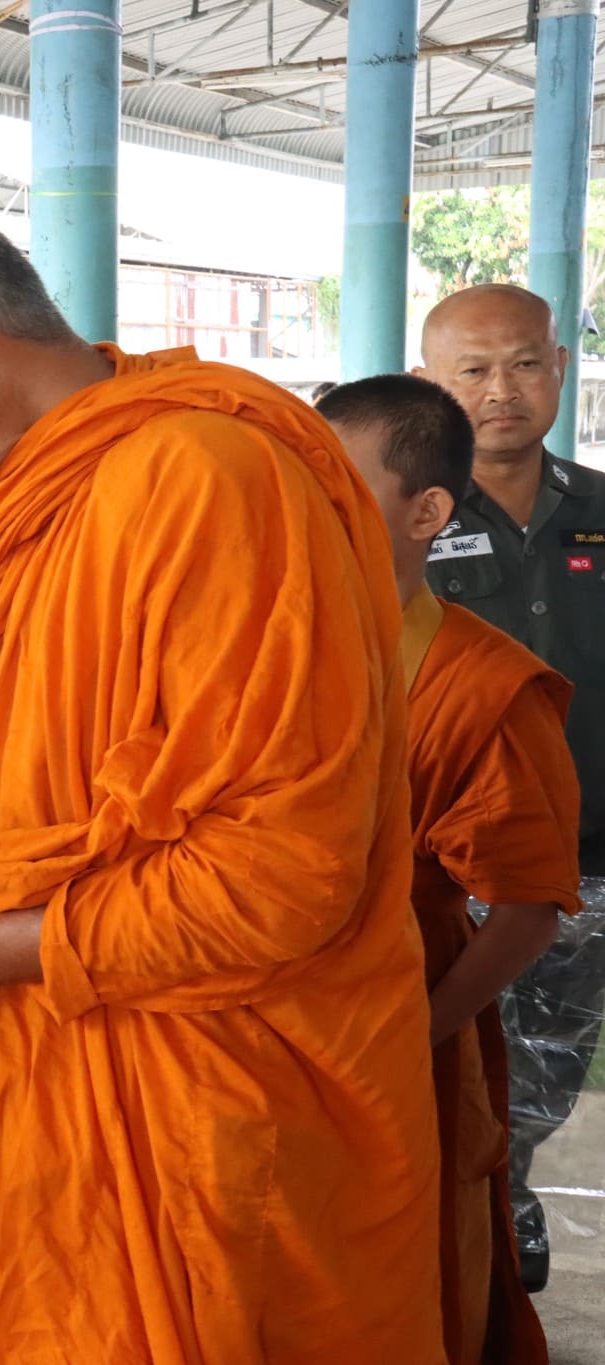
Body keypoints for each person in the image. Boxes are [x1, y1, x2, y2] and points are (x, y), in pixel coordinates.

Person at [0, 185, 441, 1362]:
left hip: (189, 1127)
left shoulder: (206, 477)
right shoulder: (26, 506)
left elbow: (284, 873)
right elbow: (7, 819)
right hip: (24, 1103)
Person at [319, 374, 579, 1364]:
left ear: (425, 512)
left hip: (396, 1026)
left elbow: (525, 908)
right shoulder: (263, 646)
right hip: (260, 1034)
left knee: (399, 1277)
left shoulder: (481, 685)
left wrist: (416, 1030)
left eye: (336, 489)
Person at [417, 283, 605, 1291]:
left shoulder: (599, 508)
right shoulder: (403, 518)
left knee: (546, 1069)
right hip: (450, 868)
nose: (501, 391)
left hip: (586, 863)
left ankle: (504, 1204)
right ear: (429, 383)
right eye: (474, 370)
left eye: (525, 364)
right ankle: (465, 1235)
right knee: (440, 1060)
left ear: (559, 369)